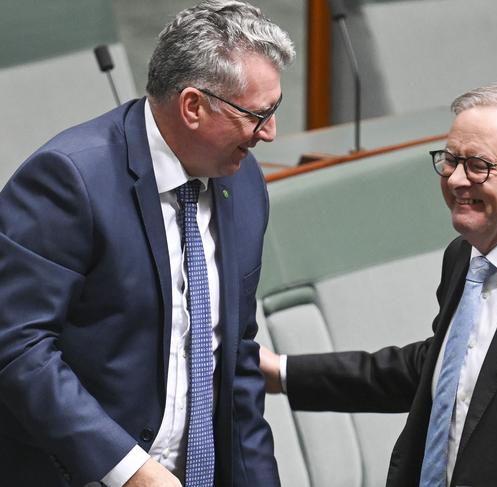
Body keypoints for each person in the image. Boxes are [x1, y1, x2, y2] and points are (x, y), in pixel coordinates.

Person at [260, 84, 497, 486]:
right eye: (450, 160)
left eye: (478, 165)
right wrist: (283, 373)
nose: (457, 180)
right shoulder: (464, 257)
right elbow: (436, 371)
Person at [0, 1, 294, 486]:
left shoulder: (243, 183)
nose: (271, 133)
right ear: (193, 106)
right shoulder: (70, 179)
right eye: (257, 116)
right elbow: (17, 345)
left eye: (274, 110)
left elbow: (234, 354)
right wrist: (129, 469)